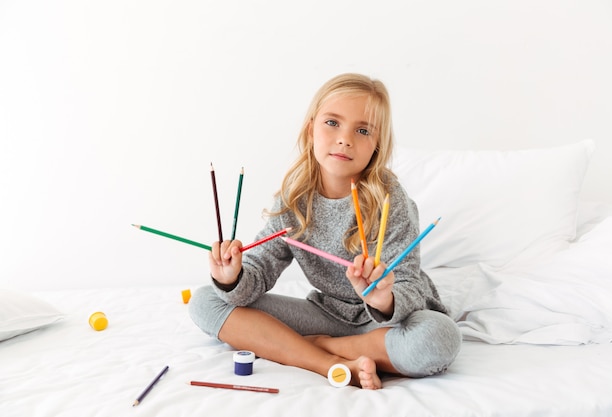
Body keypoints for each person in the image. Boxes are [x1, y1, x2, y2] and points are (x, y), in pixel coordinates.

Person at [189, 73, 461, 389]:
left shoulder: (391, 201)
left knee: (438, 338)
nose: (345, 138)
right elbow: (258, 273)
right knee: (207, 300)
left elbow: (409, 285)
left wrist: (383, 298)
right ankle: (328, 364)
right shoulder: (293, 200)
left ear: (376, 146)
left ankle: (317, 346)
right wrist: (231, 276)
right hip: (326, 314)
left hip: (387, 324)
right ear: (311, 129)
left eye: (362, 130)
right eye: (332, 123)